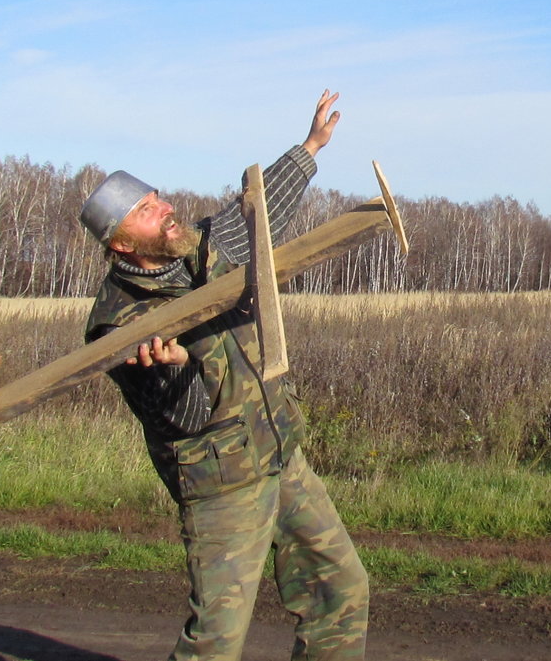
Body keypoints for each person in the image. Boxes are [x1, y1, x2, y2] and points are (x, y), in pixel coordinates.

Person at [78, 90, 368, 661]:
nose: (163, 208)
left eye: (156, 197)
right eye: (145, 210)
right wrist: (177, 368)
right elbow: (183, 419)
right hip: (222, 481)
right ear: (120, 243)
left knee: (341, 590)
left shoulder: (200, 249)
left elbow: (257, 217)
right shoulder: (119, 323)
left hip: (279, 451)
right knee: (217, 640)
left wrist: (310, 147)